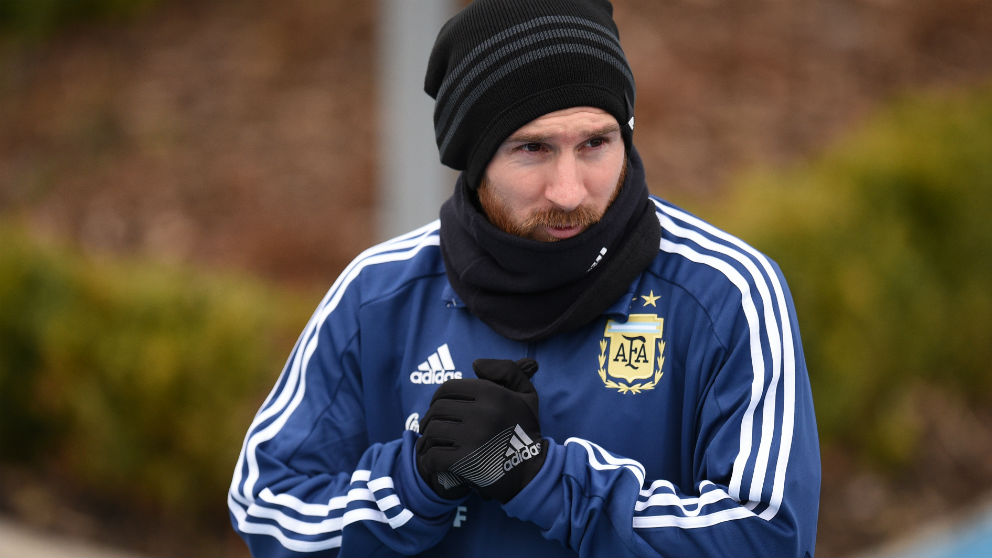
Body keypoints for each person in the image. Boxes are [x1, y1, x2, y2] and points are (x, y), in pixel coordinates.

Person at [228, 0, 820, 556]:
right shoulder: (377, 296)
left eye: (595, 143)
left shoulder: (726, 293)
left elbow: (770, 536)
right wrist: (414, 484)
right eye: (532, 148)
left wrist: (540, 477)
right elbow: (264, 508)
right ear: (473, 155)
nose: (568, 191)